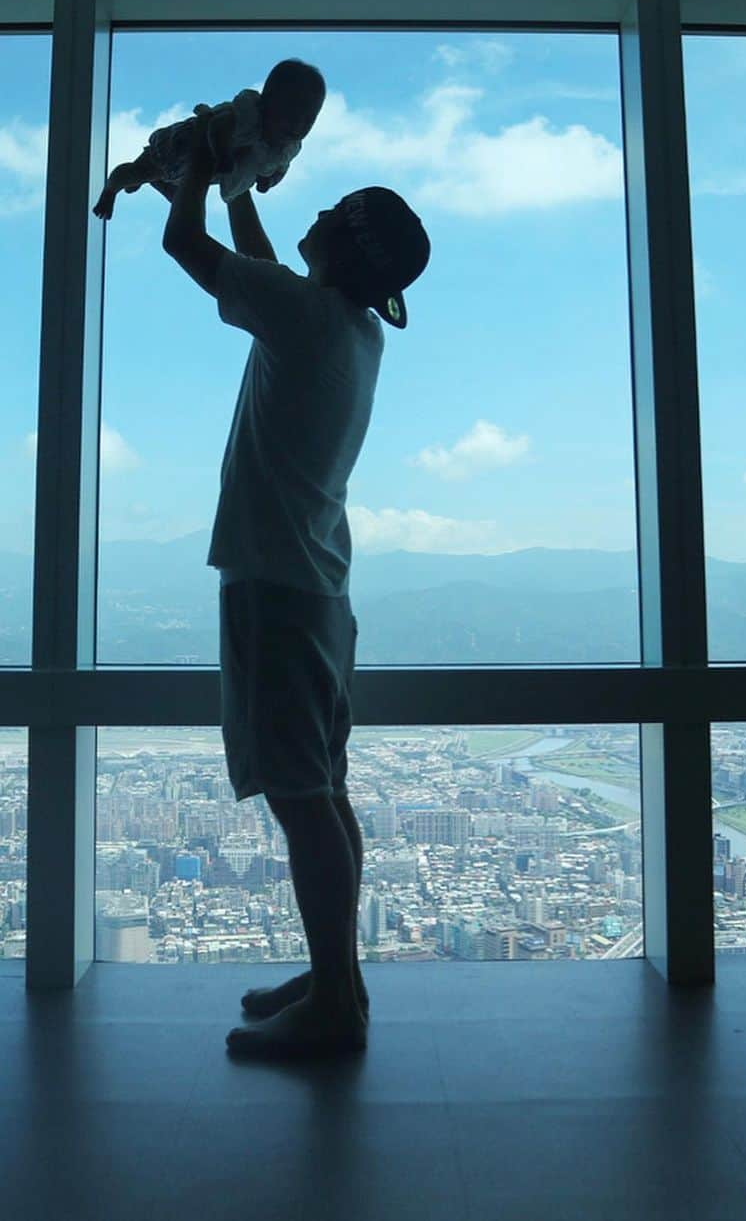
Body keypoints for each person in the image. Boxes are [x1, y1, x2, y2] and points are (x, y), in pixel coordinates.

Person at [157, 107, 430, 1059]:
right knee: (327, 792)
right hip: (317, 591)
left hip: (275, 588)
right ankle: (336, 979)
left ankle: (335, 1013)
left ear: (345, 242)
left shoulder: (307, 316)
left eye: (335, 208)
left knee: (301, 800)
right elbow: (267, 272)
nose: (313, 208)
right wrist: (240, 196)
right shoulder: (352, 331)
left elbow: (178, 241)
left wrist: (196, 163)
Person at [93, 58, 326, 219]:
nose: (298, 126)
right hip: (179, 148)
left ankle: (155, 180)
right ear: (267, 102)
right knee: (135, 173)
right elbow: (220, 125)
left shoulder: (288, 148)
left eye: (309, 120)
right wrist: (224, 153)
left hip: (199, 172)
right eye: (290, 114)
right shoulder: (249, 115)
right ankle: (110, 190)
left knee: (179, 200)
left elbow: (280, 167)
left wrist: (270, 180)